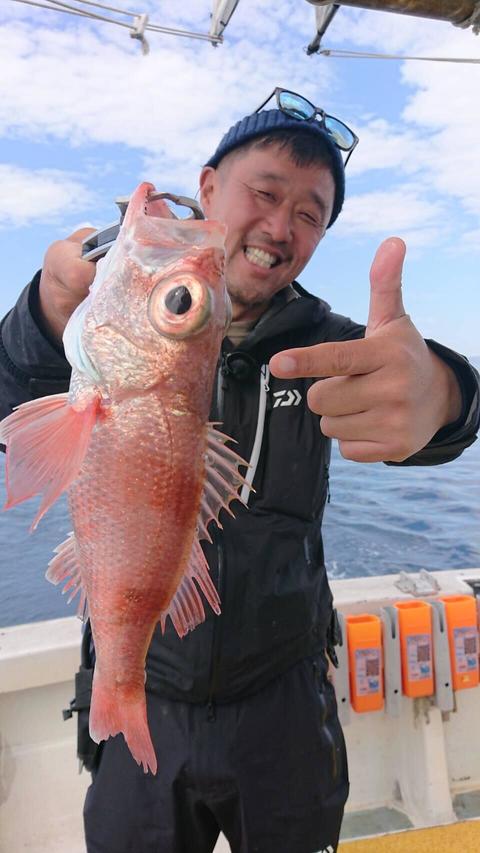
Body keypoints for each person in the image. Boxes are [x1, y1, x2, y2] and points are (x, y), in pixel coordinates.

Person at [1, 87, 479, 853]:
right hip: (142, 687)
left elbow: (423, 396)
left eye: (310, 214)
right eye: (264, 192)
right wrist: (46, 310)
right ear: (210, 187)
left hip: (285, 703)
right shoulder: (106, 328)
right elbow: (12, 414)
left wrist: (447, 395)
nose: (280, 226)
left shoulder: (326, 344)